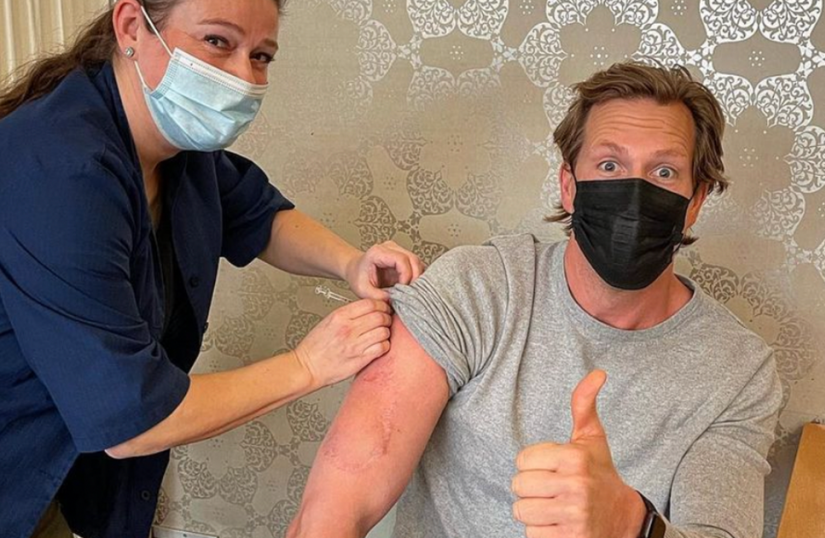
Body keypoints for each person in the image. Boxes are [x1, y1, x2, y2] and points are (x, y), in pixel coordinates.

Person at [289, 62, 784, 538]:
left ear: (695, 201)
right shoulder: (477, 289)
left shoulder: (738, 371)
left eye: (664, 172)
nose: (633, 193)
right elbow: (333, 512)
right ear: (569, 186)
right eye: (609, 165)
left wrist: (633, 526)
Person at [0, 1, 424, 537]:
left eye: (261, 56)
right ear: (131, 26)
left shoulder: (174, 144)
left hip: (69, 472)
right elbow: (131, 419)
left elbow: (257, 215)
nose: (243, 77)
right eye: (218, 42)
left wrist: (350, 262)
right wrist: (308, 366)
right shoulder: (61, 171)